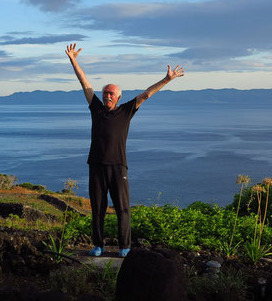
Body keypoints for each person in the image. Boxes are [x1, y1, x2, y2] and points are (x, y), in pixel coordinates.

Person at [65, 43, 184, 258]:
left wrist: (167, 79)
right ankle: (98, 245)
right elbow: (84, 82)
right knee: (97, 209)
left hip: (118, 166)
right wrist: (74, 61)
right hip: (96, 165)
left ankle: (124, 247)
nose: (107, 96)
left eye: (111, 94)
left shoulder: (126, 110)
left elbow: (146, 94)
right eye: (105, 93)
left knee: (122, 208)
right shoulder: (96, 108)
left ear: (118, 97)